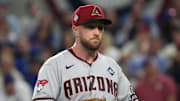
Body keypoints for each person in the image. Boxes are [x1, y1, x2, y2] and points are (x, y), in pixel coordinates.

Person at [32, 4, 138, 101]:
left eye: (100, 27)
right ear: (75, 30)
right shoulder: (54, 65)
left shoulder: (113, 66)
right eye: (91, 27)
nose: (96, 32)